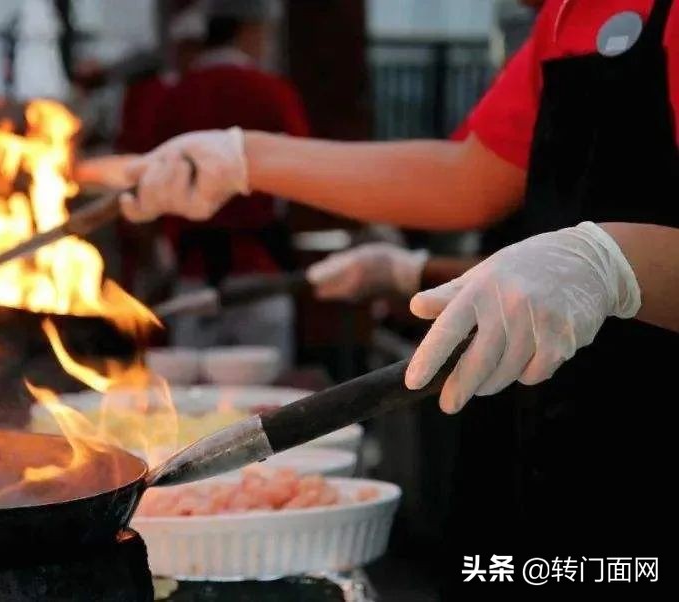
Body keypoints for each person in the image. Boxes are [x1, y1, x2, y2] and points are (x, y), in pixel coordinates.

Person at [81, 0, 679, 586]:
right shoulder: (564, 13)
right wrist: (240, 158)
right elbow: (469, 177)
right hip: (560, 420)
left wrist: (612, 261)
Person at [150, 0, 310, 365]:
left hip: (193, 271)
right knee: (267, 400)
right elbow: (304, 172)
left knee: (190, 399)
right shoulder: (272, 91)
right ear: (248, 31)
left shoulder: (174, 97)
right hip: (260, 272)